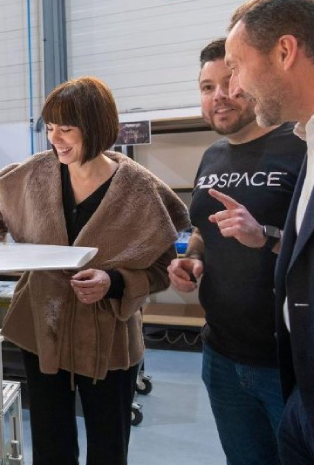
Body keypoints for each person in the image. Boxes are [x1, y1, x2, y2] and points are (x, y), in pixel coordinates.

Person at [0, 77, 190, 465]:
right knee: (50, 440)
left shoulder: (139, 190)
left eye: (67, 129)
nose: (55, 138)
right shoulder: (37, 172)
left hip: (107, 339)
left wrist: (114, 282)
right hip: (42, 327)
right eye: (50, 127)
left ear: (95, 127)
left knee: (108, 446)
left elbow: (161, 266)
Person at [167, 38, 305, 465]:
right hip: (221, 354)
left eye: (229, 81)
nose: (220, 96)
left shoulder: (300, 145)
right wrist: (193, 258)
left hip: (288, 362)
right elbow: (204, 228)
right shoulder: (212, 155)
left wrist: (263, 233)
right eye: (207, 88)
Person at [226, 1, 314, 463]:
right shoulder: (308, 142)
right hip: (300, 390)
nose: (234, 86)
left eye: (237, 66)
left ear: (285, 51)